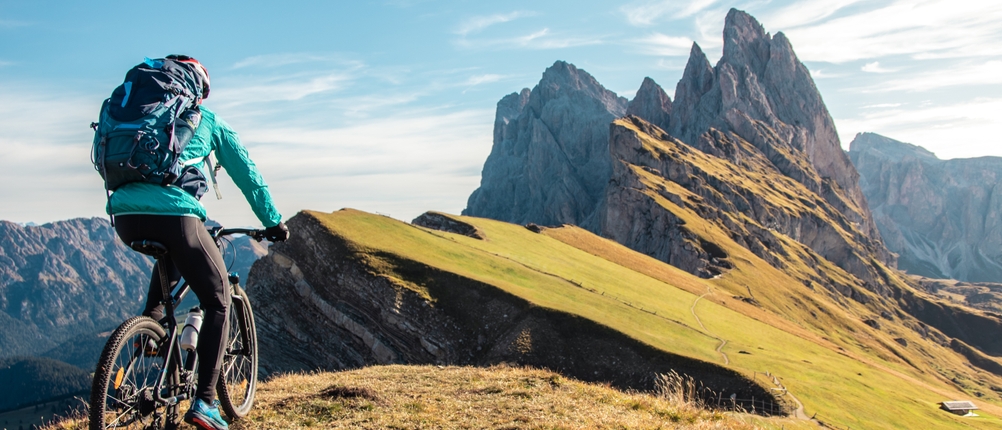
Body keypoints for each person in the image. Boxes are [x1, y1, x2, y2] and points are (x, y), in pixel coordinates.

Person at [108, 55, 288, 430]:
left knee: (170, 257)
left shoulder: (138, 113)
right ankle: (205, 401)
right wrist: (273, 222)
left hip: (123, 216)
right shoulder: (206, 120)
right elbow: (247, 174)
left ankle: (150, 330)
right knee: (219, 300)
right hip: (177, 215)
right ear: (198, 91)